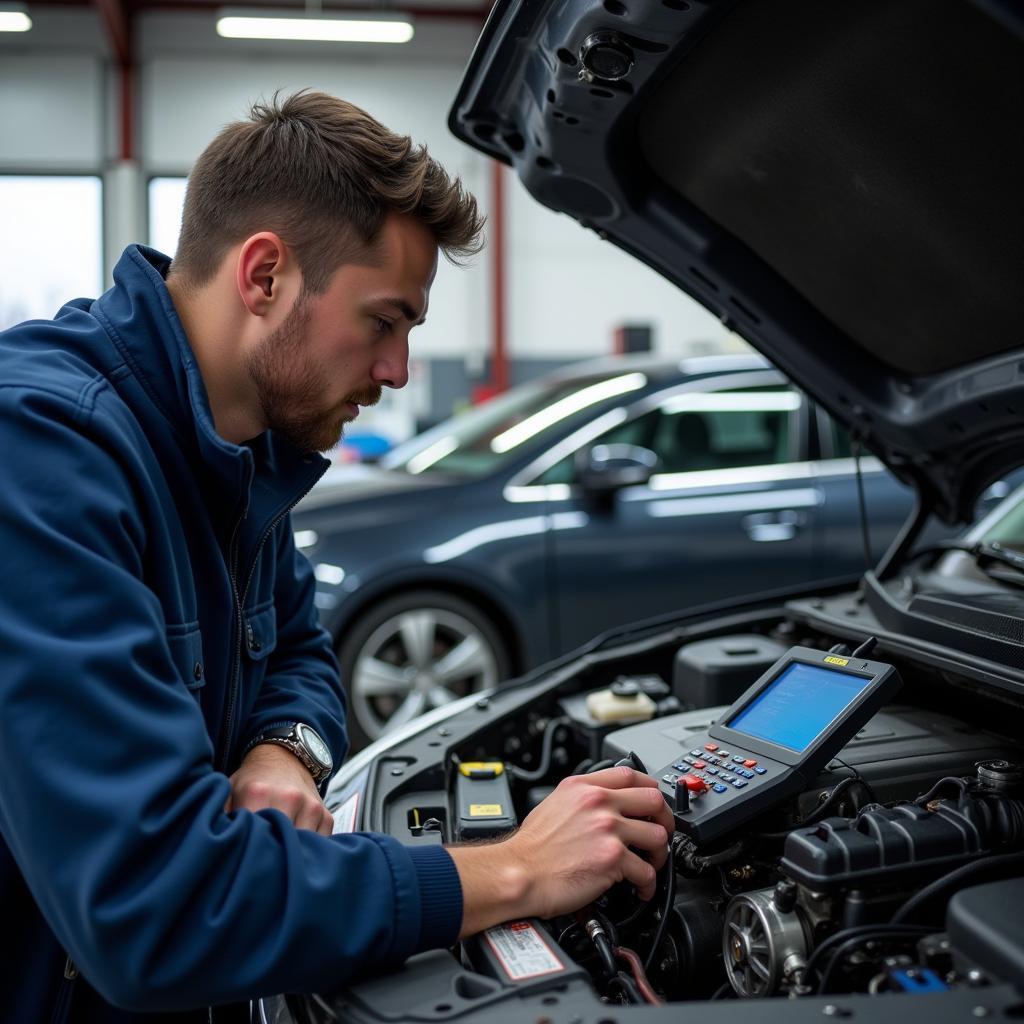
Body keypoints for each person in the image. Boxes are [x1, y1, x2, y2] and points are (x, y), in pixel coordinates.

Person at [0, 91, 674, 1023]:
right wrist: (515, 867)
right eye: (385, 320)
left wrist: (284, 755)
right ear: (265, 274)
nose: (398, 371)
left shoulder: (241, 448)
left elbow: (301, 652)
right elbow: (155, 910)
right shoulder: (41, 453)